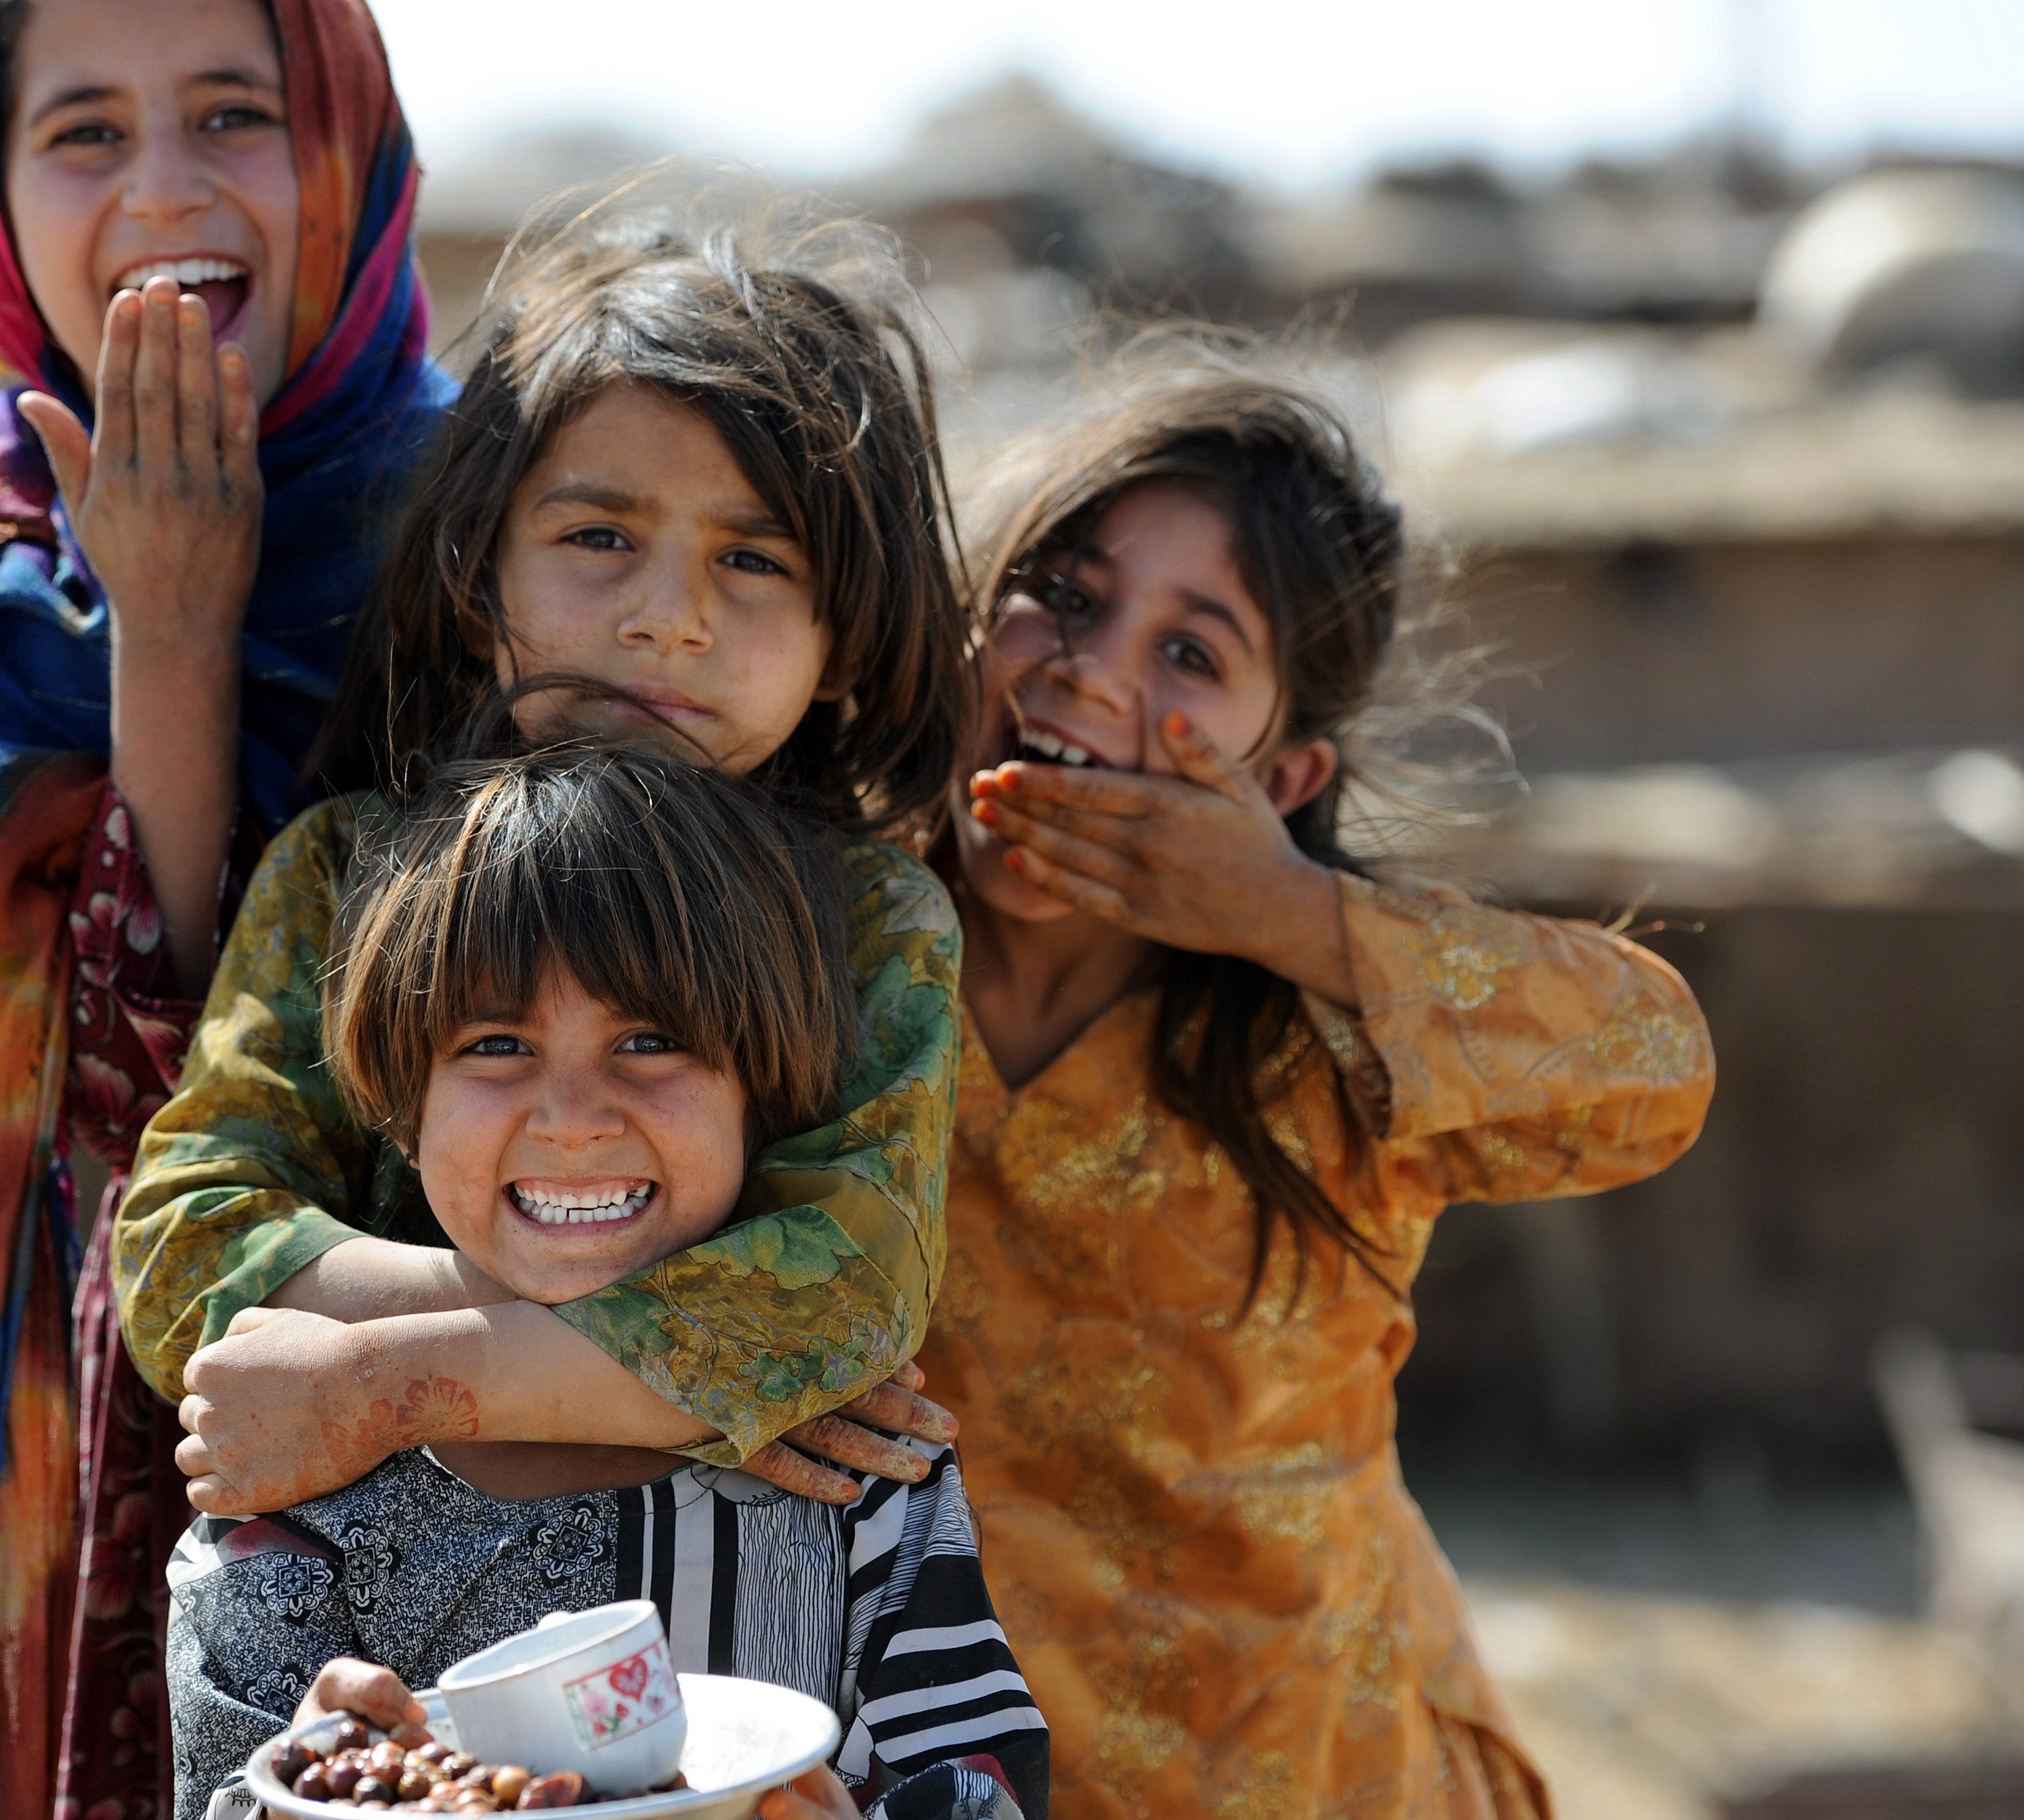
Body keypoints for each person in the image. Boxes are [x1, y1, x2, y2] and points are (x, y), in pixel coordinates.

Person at [0, 0, 452, 1815]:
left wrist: (187, 631)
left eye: (233, 111)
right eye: (80, 132)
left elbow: (284, 1129)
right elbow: (66, 1128)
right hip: (1, 1513)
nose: (160, 187)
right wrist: (164, 630)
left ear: (346, 156)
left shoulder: (519, 556)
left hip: (450, 1498)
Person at [919, 346, 1717, 1820]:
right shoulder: (815, 963)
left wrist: (1283, 916)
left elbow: (1655, 1073)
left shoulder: (1327, 1032)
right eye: (1069, 595)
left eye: (1189, 655)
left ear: (1279, 781)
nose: (1091, 669)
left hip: (1310, 1768)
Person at [110, 204, 980, 1510]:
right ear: (477, 578)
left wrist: (377, 1378)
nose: (666, 618)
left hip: (750, 1667)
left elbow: (846, 1293)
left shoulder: (869, 920)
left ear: (845, 637)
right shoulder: (345, 876)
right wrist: (692, 1352)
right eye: (598, 538)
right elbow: (181, 1255)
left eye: (751, 558)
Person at [161, 743, 1047, 1820]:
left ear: (761, 1103)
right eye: (495, 1043)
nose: (572, 1115)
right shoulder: (299, 1472)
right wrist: (315, 1791)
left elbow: (979, 1784)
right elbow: (223, 1788)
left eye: (649, 1039)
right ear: (404, 1113)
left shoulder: (850, 1462)